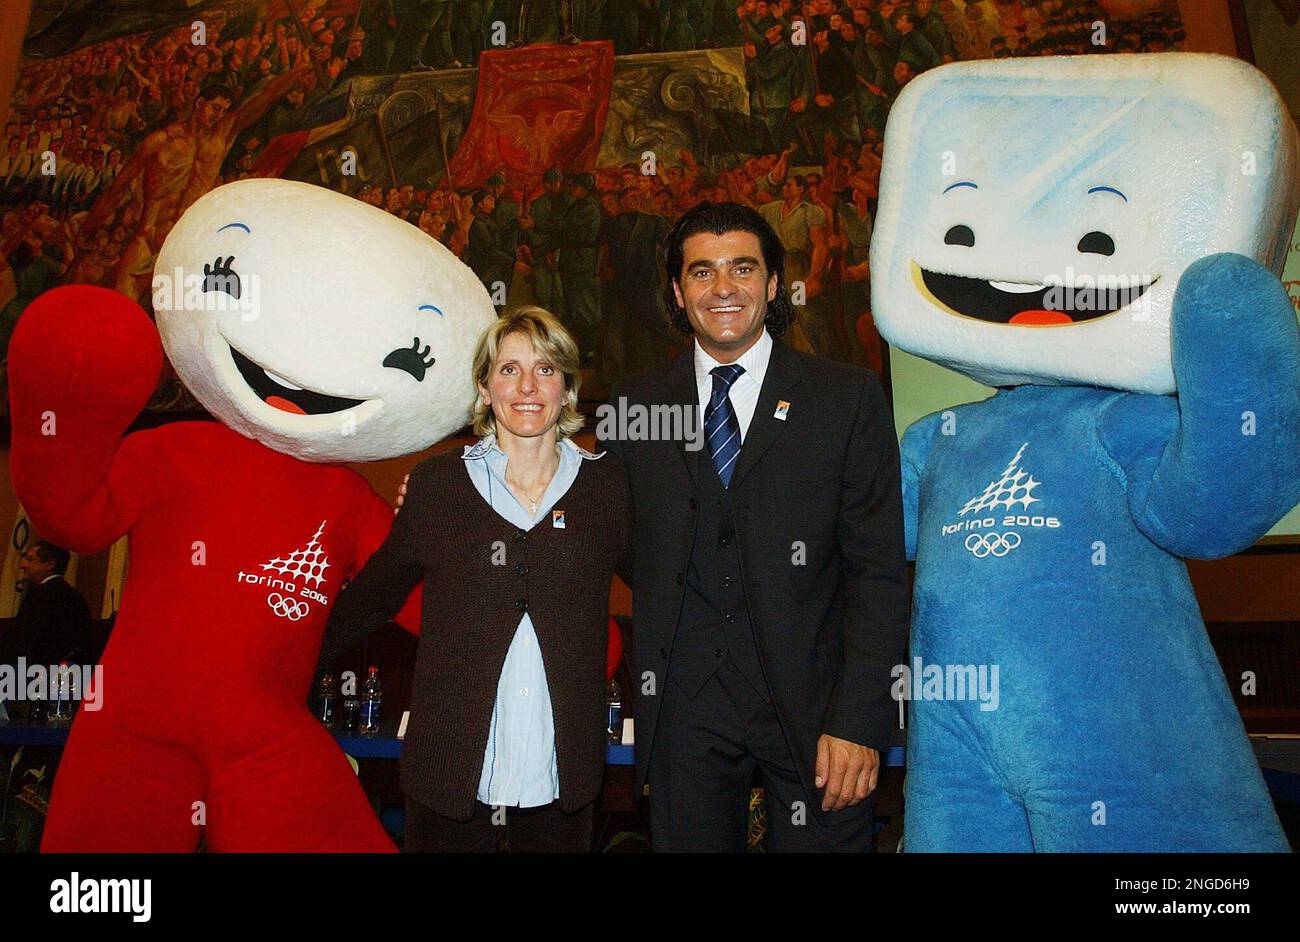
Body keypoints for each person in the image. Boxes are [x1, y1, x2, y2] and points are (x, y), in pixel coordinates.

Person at [597, 201, 907, 852]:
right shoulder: (632, 408)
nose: (723, 288)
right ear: (679, 294)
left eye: (742, 268)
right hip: (686, 710)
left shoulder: (848, 398)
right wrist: (464, 486)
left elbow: (877, 574)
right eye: (702, 272)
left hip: (818, 712)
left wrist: (860, 720)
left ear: (771, 284)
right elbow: (601, 530)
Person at [318, 306, 630, 852]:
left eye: (546, 369)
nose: (527, 386)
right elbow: (371, 597)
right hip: (449, 773)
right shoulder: (438, 486)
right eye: (509, 370)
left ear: (567, 388)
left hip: (563, 774)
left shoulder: (609, 490)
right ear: (485, 388)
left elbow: (666, 589)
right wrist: (273, 665)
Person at [0, 541, 93, 719]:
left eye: (30, 559)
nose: (22, 565)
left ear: (50, 564)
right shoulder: (67, 595)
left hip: (33, 678)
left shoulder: (45, 595)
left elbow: (26, 641)